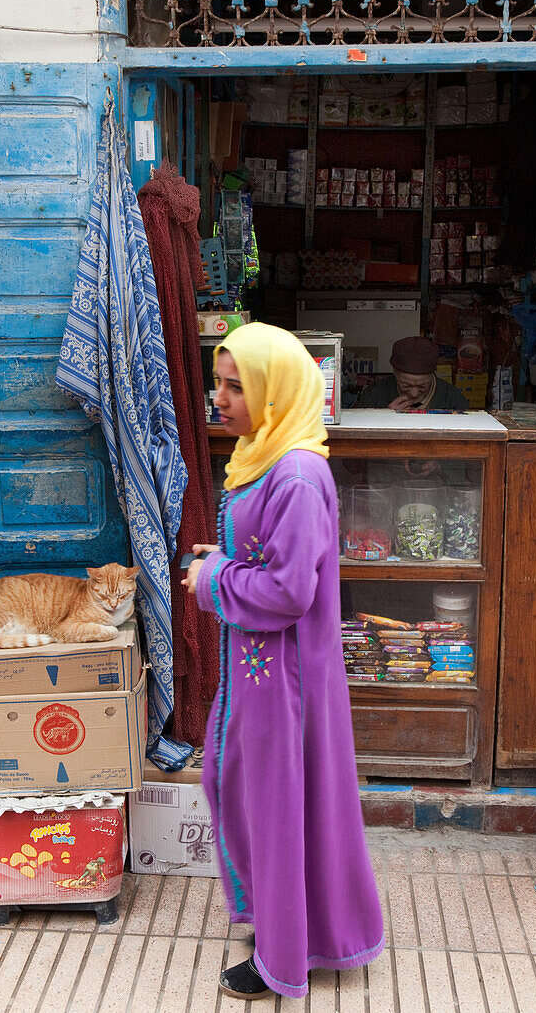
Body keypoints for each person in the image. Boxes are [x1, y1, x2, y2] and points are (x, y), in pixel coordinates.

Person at [182, 323, 385, 1001]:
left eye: (238, 386)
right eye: (220, 382)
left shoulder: (295, 475)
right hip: (261, 674)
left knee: (274, 808)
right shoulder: (261, 457)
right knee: (252, 794)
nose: (222, 398)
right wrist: (222, 565)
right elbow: (266, 563)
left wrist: (213, 580)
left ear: (277, 390)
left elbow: (289, 590)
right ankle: (296, 929)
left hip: (284, 679)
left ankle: (282, 956)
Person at [357, 335, 467, 411]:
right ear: (394, 372)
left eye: (422, 386)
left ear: (433, 374)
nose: (414, 394)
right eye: (406, 385)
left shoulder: (453, 398)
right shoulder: (373, 395)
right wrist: (386, 418)